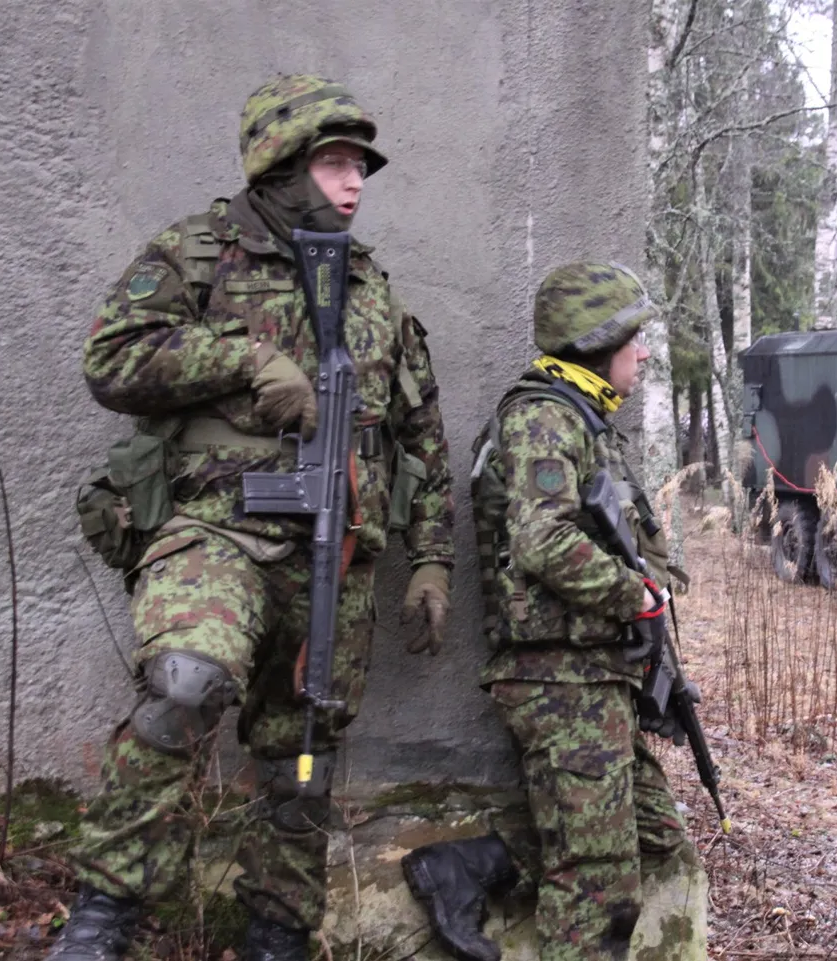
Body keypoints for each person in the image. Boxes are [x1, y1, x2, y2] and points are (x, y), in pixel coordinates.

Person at [50, 75, 455, 961]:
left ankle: (276, 932)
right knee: (186, 685)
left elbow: (421, 438)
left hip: (336, 553)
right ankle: (101, 917)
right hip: (217, 530)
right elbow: (110, 358)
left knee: (302, 752)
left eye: (361, 169)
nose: (356, 183)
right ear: (281, 165)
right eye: (337, 163)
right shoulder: (199, 254)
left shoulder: (374, 290)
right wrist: (245, 361)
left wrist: (432, 561)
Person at [401, 263, 701, 961]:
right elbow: (543, 541)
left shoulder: (586, 421)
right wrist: (636, 596)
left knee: (651, 834)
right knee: (598, 883)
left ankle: (468, 868)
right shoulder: (543, 417)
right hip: (558, 677)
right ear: (598, 344)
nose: (645, 353)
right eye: (634, 339)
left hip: (594, 675)